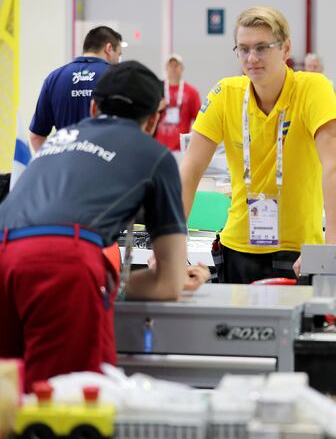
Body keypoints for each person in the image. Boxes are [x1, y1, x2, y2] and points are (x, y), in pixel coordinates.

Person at [0, 61, 209, 391]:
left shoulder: (57, 140)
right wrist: (181, 278)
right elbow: (168, 285)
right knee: (65, 404)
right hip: (62, 264)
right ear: (153, 119)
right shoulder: (155, 154)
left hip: (4, 252)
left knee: (9, 396)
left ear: (94, 107)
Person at [179, 6, 336, 284]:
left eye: (262, 47)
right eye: (243, 49)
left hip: (299, 251)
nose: (251, 58)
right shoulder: (225, 94)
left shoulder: (313, 88)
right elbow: (190, 170)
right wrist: (172, 243)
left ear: (286, 49)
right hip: (237, 248)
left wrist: (332, 244)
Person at [29, 26, 123, 151]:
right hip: (104, 165)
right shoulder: (117, 77)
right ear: (109, 48)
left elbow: (36, 136)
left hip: (65, 165)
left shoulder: (54, 78)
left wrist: (53, 165)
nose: (118, 60)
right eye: (119, 54)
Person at [155, 54, 202, 151]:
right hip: (158, 146)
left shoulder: (191, 92)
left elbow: (200, 120)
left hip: (180, 148)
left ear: (182, 68)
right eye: (171, 65)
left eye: (176, 65)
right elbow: (146, 116)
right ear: (166, 68)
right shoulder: (156, 89)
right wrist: (157, 108)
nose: (173, 68)